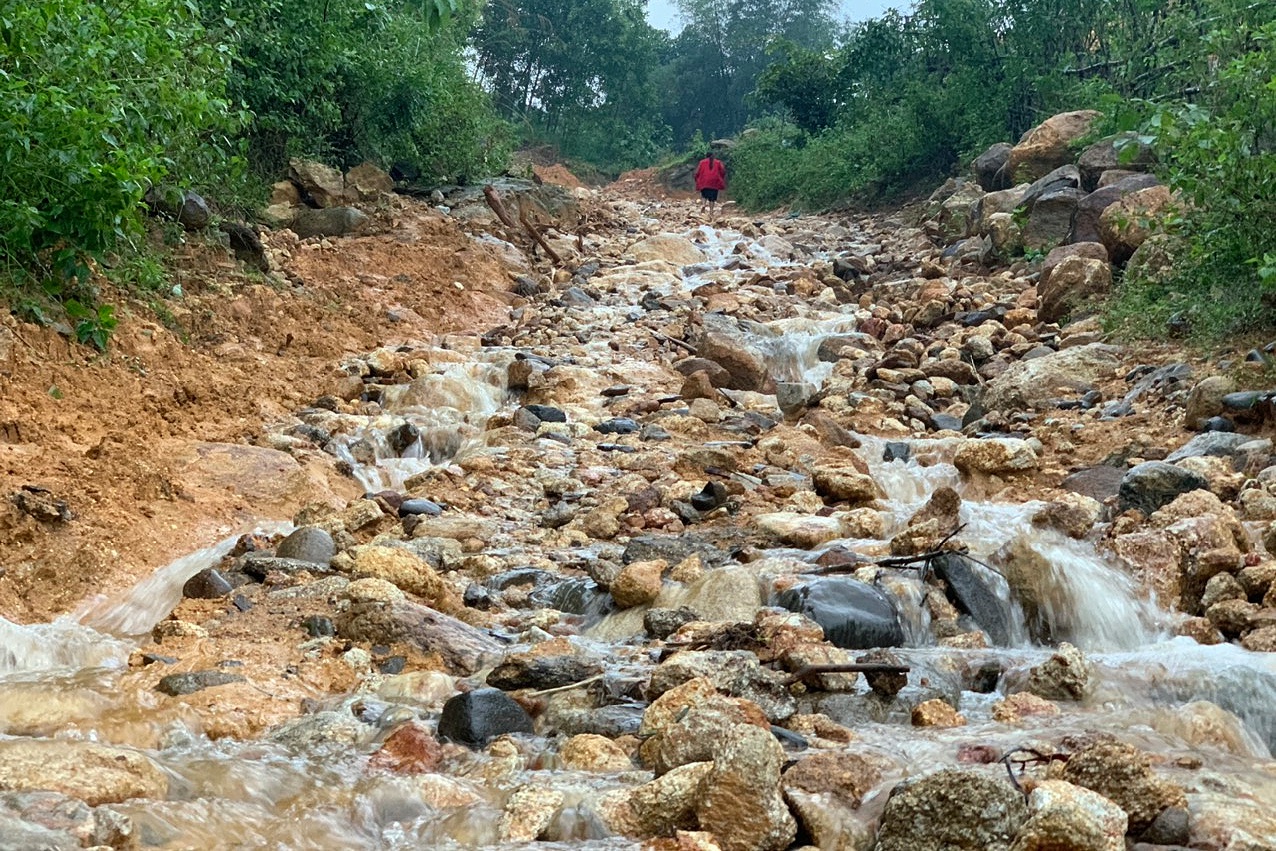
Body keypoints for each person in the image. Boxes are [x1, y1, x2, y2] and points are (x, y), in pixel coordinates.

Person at [694, 151, 727, 219]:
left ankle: (703, 204)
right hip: (714, 182)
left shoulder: (702, 162)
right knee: (712, 198)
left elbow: (697, 172)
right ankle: (711, 212)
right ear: (713, 156)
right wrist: (721, 177)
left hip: (704, 181)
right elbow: (723, 171)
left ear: (706, 156)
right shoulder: (718, 162)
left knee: (704, 195)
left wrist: (697, 179)